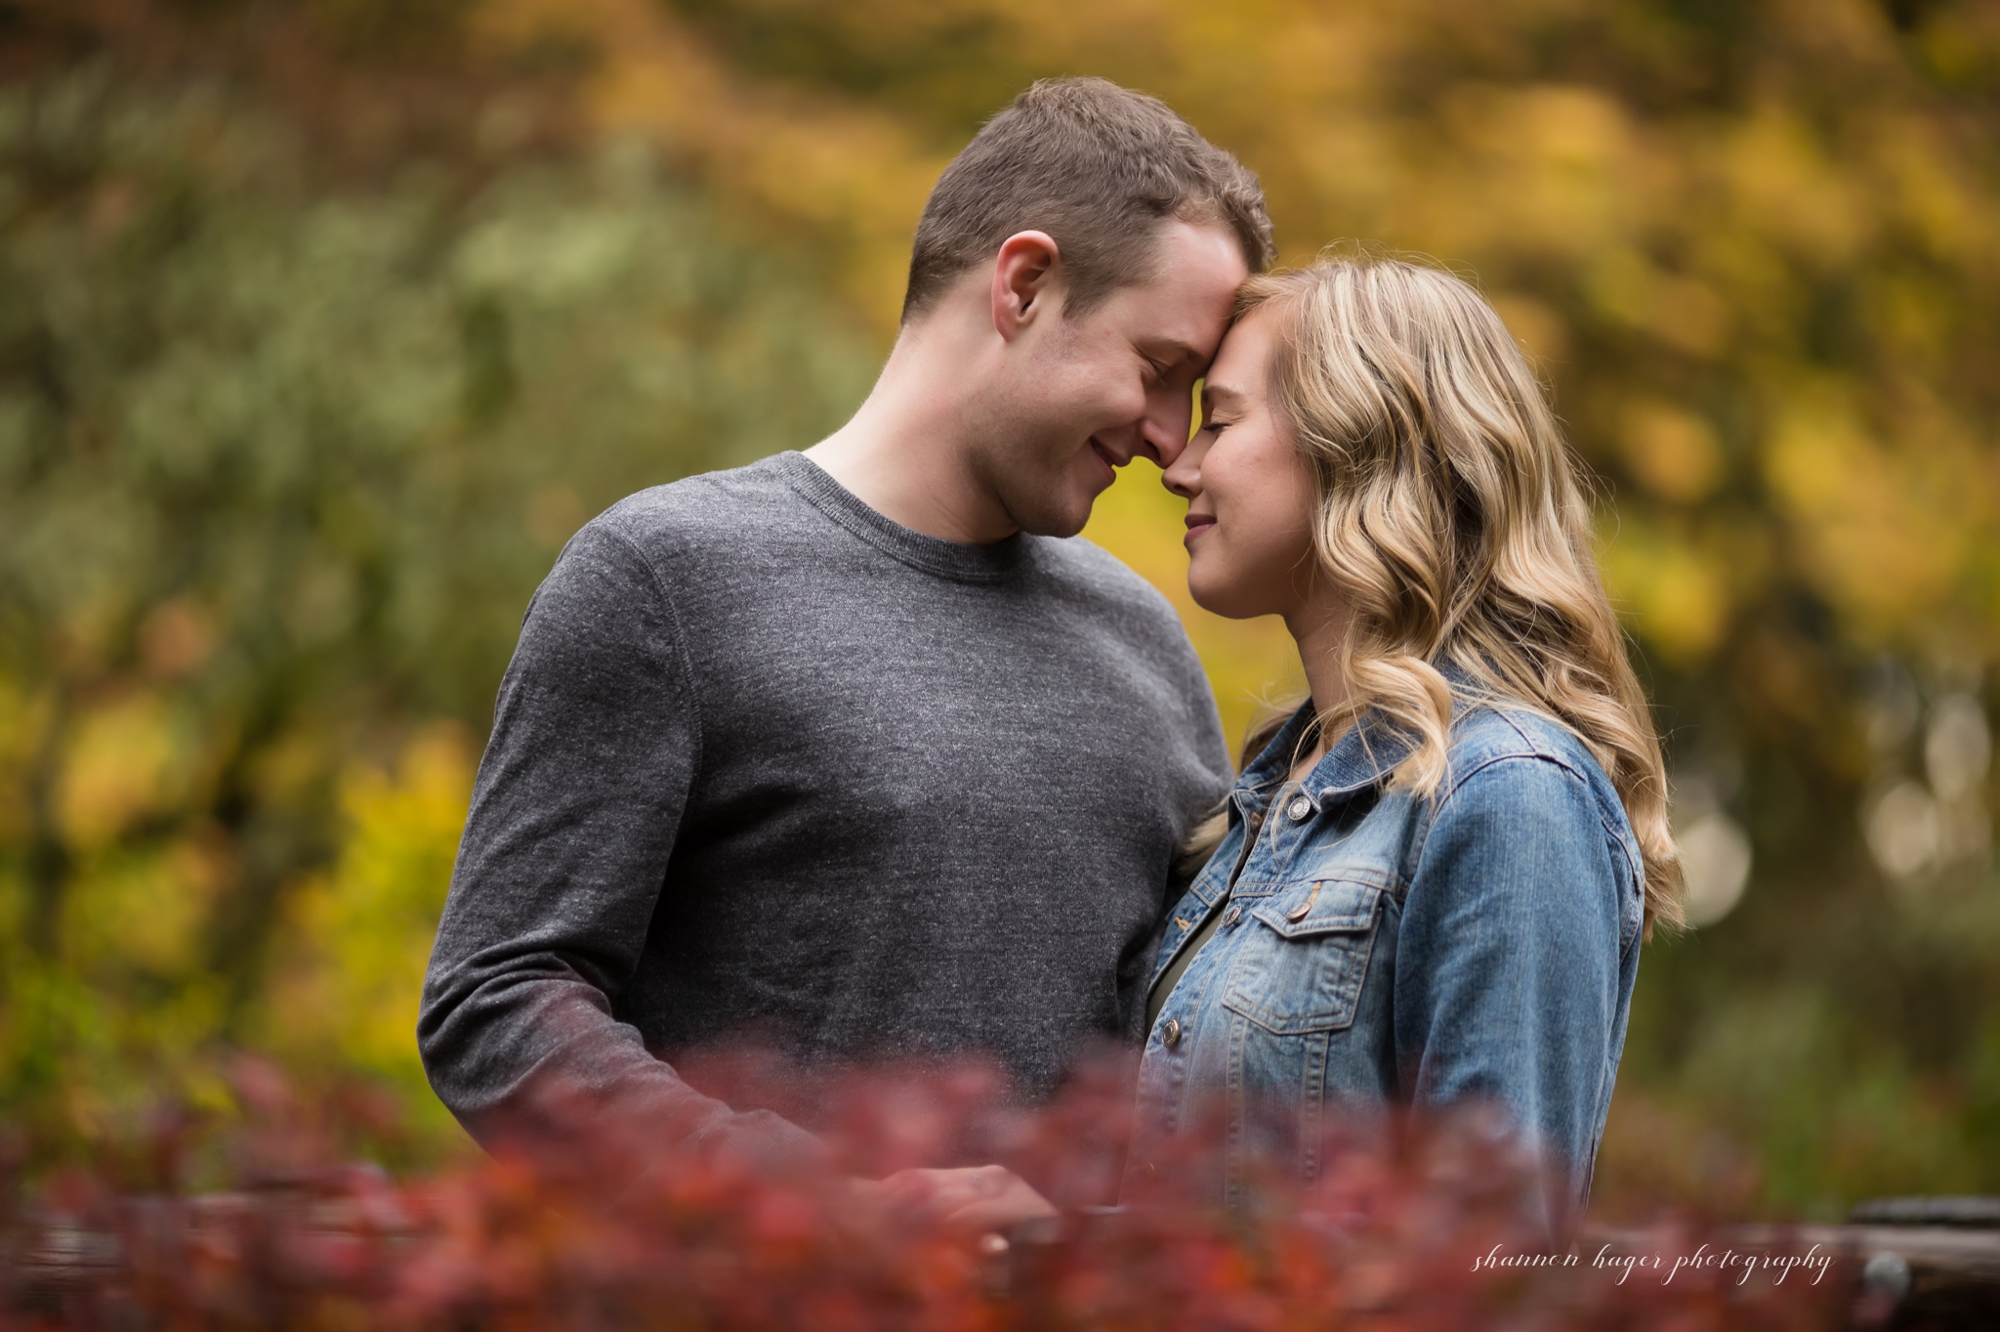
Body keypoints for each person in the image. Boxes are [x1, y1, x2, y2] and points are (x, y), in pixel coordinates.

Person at [417, 78, 1274, 1228]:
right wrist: (823, 1208)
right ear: (1023, 285)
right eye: (1158, 368)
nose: (1171, 442)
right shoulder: (667, 577)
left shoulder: (1145, 644)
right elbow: (495, 1004)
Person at [1123, 255, 1682, 1231]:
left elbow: (1492, 1257)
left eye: (1220, 419)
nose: (1179, 465)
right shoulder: (1272, 788)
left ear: (1357, 443)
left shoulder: (1510, 795)